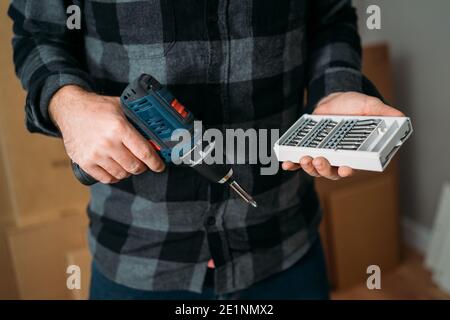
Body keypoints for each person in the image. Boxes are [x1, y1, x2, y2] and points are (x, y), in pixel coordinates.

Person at [9, 0, 403, 299]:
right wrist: (67, 103)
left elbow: (330, 17)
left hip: (282, 240)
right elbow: (37, 32)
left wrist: (337, 89)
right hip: (138, 251)